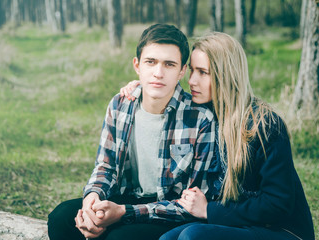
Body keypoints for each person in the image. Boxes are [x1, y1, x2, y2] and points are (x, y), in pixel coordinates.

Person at [122, 32, 315, 240]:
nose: (193, 81)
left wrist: (210, 211)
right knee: (168, 238)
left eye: (203, 73)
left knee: (193, 236)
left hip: (280, 230)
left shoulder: (264, 125)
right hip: (237, 223)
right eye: (193, 71)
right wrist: (142, 89)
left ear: (227, 75)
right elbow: (168, 96)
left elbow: (278, 203)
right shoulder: (203, 114)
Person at [47, 24, 217, 240]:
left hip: (168, 212)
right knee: (61, 218)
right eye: (151, 62)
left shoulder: (200, 119)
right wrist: (92, 198)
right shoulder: (120, 104)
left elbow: (191, 204)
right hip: (126, 197)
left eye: (169, 64)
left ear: (182, 71)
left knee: (120, 237)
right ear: (137, 65)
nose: (158, 73)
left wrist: (124, 214)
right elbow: (105, 165)